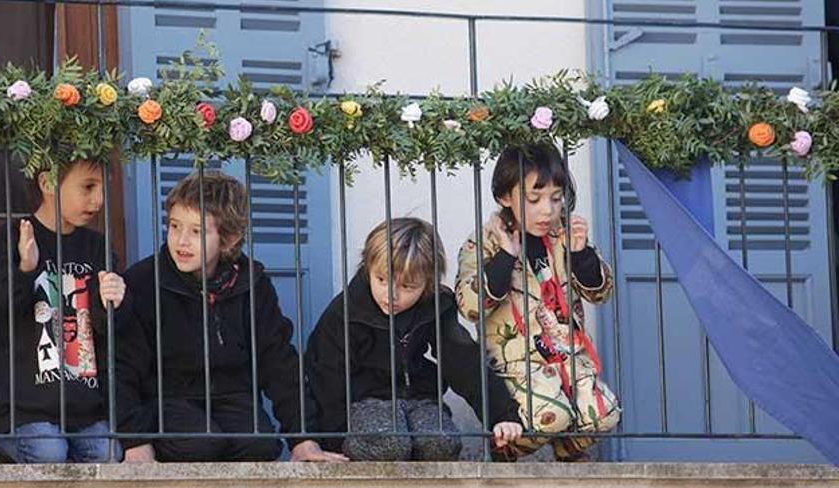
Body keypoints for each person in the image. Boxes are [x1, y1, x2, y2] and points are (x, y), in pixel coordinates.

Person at [116, 170, 344, 463]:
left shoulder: (252, 282)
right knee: (200, 443)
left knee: (260, 446)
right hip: (167, 398)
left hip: (232, 395)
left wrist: (303, 439)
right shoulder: (143, 281)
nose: (181, 241)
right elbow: (123, 366)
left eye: (197, 231)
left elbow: (279, 362)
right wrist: (136, 441)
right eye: (174, 226)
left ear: (229, 239)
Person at [307, 217, 523, 461]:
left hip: (419, 398)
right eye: (381, 280)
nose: (391, 295)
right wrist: (332, 443)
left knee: (441, 443)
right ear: (368, 268)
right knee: (389, 443)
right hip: (366, 402)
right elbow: (326, 377)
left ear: (428, 283)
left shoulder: (435, 305)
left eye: (407, 286)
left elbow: (463, 362)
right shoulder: (346, 311)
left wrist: (502, 414)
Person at [455, 144, 620, 461]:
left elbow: (600, 292)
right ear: (505, 197)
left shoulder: (563, 236)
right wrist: (505, 257)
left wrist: (581, 254)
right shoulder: (485, 241)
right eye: (534, 199)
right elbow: (470, 306)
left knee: (605, 415)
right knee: (552, 416)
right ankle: (507, 447)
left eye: (556, 199)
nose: (548, 210)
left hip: (569, 355)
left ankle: (566, 449)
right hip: (515, 364)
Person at [0, 159, 125, 463]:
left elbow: (106, 331)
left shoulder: (97, 246)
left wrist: (112, 301)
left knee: (107, 452)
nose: (98, 200)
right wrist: (25, 269)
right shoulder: (13, 235)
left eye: (102, 189)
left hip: (82, 405)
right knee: (49, 450)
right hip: (21, 406)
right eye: (88, 187)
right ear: (47, 184)